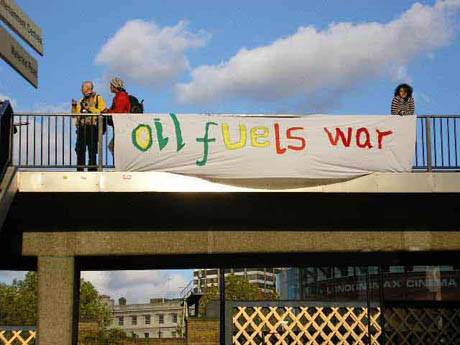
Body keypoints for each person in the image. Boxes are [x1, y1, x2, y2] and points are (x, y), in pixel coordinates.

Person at [71, 81, 106, 171]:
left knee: (92, 151)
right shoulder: (81, 101)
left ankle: (92, 170)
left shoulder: (98, 98)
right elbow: (74, 115)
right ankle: (80, 170)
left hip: (92, 127)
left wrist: (89, 108)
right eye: (83, 88)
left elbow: (102, 112)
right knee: (80, 151)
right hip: (82, 128)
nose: (83, 90)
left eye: (84, 87)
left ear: (89, 88)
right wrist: (74, 106)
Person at [104, 77, 131, 155]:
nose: (110, 87)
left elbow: (118, 112)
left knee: (113, 146)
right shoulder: (118, 97)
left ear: (115, 86)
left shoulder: (121, 97)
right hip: (120, 126)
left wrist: (107, 111)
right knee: (114, 146)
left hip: (122, 126)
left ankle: (120, 165)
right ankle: (119, 165)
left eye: (111, 85)